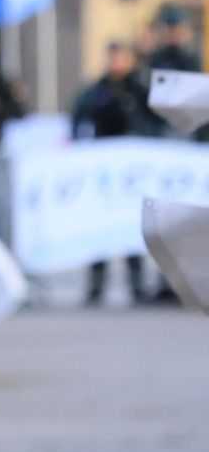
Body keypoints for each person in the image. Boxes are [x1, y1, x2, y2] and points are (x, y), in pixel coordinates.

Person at [72, 41, 157, 304]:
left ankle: (137, 285)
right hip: (104, 171)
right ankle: (96, 286)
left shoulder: (140, 89)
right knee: (100, 226)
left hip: (133, 172)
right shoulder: (97, 90)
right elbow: (78, 119)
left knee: (133, 228)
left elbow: (156, 121)